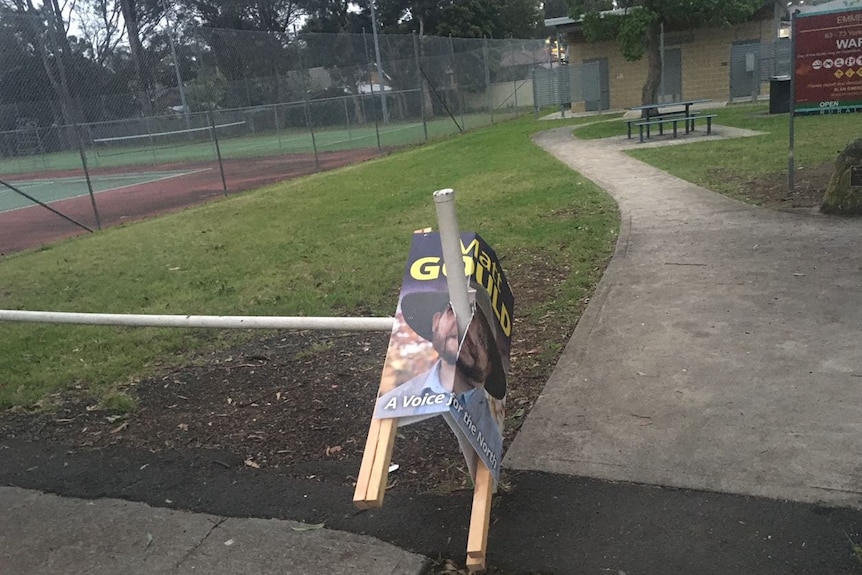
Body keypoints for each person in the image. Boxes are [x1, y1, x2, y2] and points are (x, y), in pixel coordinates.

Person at [373, 289, 506, 459]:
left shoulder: (491, 420)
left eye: (479, 338)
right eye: (452, 311)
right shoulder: (394, 402)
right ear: (436, 321)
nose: (465, 330)